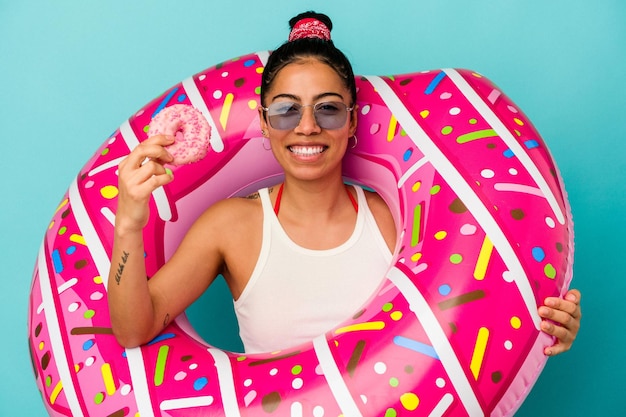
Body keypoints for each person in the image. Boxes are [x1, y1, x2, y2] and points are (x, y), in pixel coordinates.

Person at [107, 11, 581, 355]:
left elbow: (471, 318)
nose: (307, 126)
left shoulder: (394, 220)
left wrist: (548, 324)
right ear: (265, 122)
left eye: (328, 108)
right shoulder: (230, 227)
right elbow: (135, 329)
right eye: (287, 109)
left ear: (352, 122)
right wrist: (129, 222)